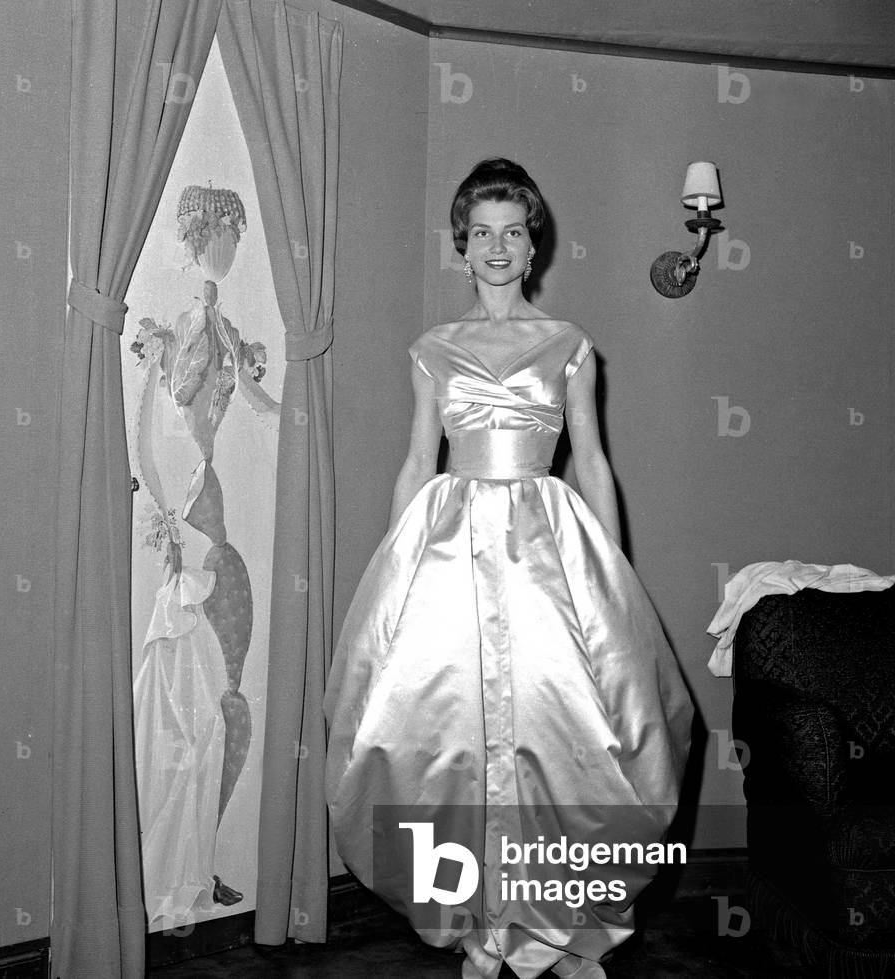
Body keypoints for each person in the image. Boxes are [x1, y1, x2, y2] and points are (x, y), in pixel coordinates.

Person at [324, 159, 693, 979]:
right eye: (482, 232)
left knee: (563, 737)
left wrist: (613, 574)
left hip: (545, 550)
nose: (497, 247)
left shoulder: (569, 344)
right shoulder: (432, 348)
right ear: (463, 246)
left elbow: (591, 461)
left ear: (534, 247)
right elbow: (416, 462)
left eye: (513, 232)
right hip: (450, 547)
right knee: (449, 739)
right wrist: (393, 571)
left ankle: (562, 926)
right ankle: (478, 925)